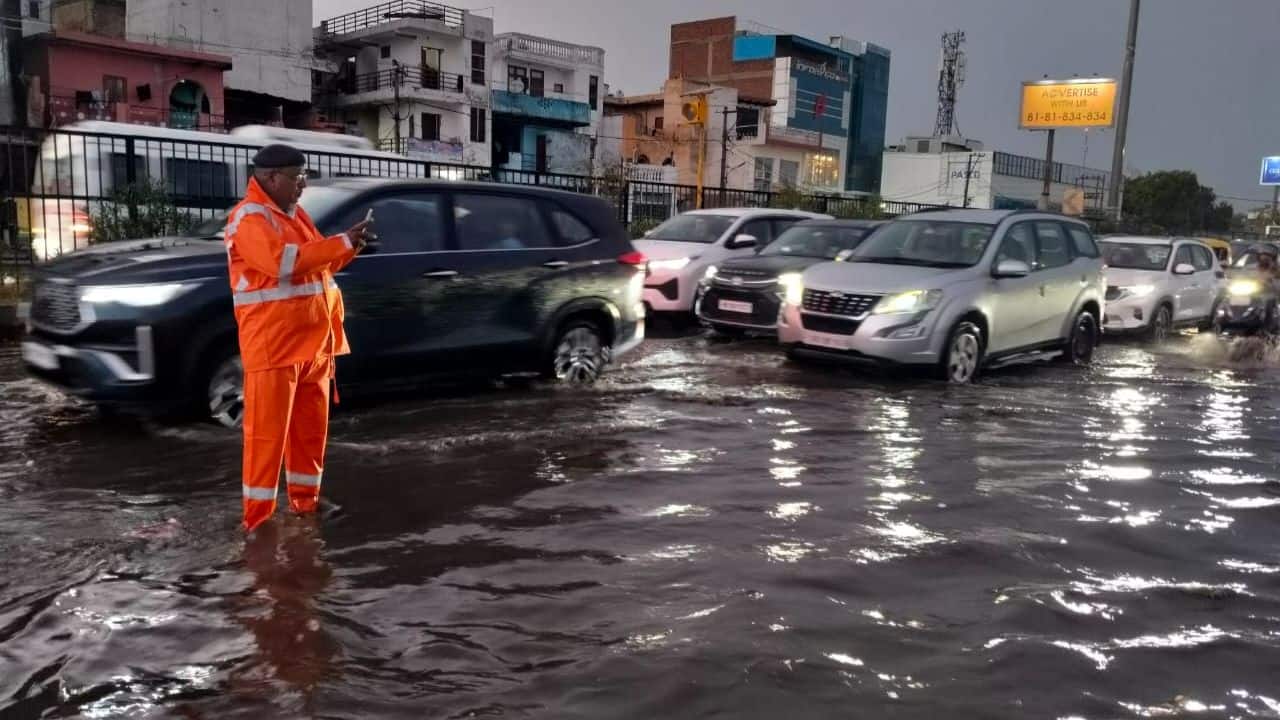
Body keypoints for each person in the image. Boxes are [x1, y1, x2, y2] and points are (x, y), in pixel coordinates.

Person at [224, 144, 373, 532]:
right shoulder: (248, 218)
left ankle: (305, 505)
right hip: (274, 347)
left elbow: (317, 264)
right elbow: (282, 263)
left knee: (309, 435)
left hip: (313, 346)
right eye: (298, 176)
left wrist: (350, 246)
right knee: (266, 440)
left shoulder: (294, 215)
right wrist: (339, 244)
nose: (303, 184)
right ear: (272, 178)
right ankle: (257, 523)